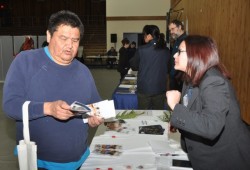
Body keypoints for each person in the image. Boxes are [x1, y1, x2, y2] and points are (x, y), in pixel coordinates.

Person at [3, 10, 104, 170]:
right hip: (39, 162)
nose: (70, 45)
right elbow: (10, 105)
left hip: (79, 160)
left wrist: (94, 118)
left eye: (75, 40)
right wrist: (48, 108)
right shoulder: (26, 61)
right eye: (63, 38)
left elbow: (94, 104)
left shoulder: (83, 70)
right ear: (49, 36)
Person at [166, 35, 250, 170]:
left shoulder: (214, 81)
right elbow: (194, 112)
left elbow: (211, 127)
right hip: (202, 154)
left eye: (180, 51)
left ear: (196, 54)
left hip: (224, 159)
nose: (175, 55)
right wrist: (178, 120)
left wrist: (176, 107)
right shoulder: (189, 77)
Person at [130, 25, 170, 110]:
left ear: (149, 36)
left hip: (144, 89)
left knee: (143, 115)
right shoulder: (166, 50)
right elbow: (169, 68)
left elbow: (133, 66)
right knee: (158, 116)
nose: (143, 37)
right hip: (160, 89)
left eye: (144, 34)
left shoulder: (141, 50)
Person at [168, 19, 187, 92]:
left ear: (179, 27)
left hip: (180, 78)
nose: (171, 32)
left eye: (172, 29)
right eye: (170, 30)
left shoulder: (185, 40)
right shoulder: (177, 40)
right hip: (174, 76)